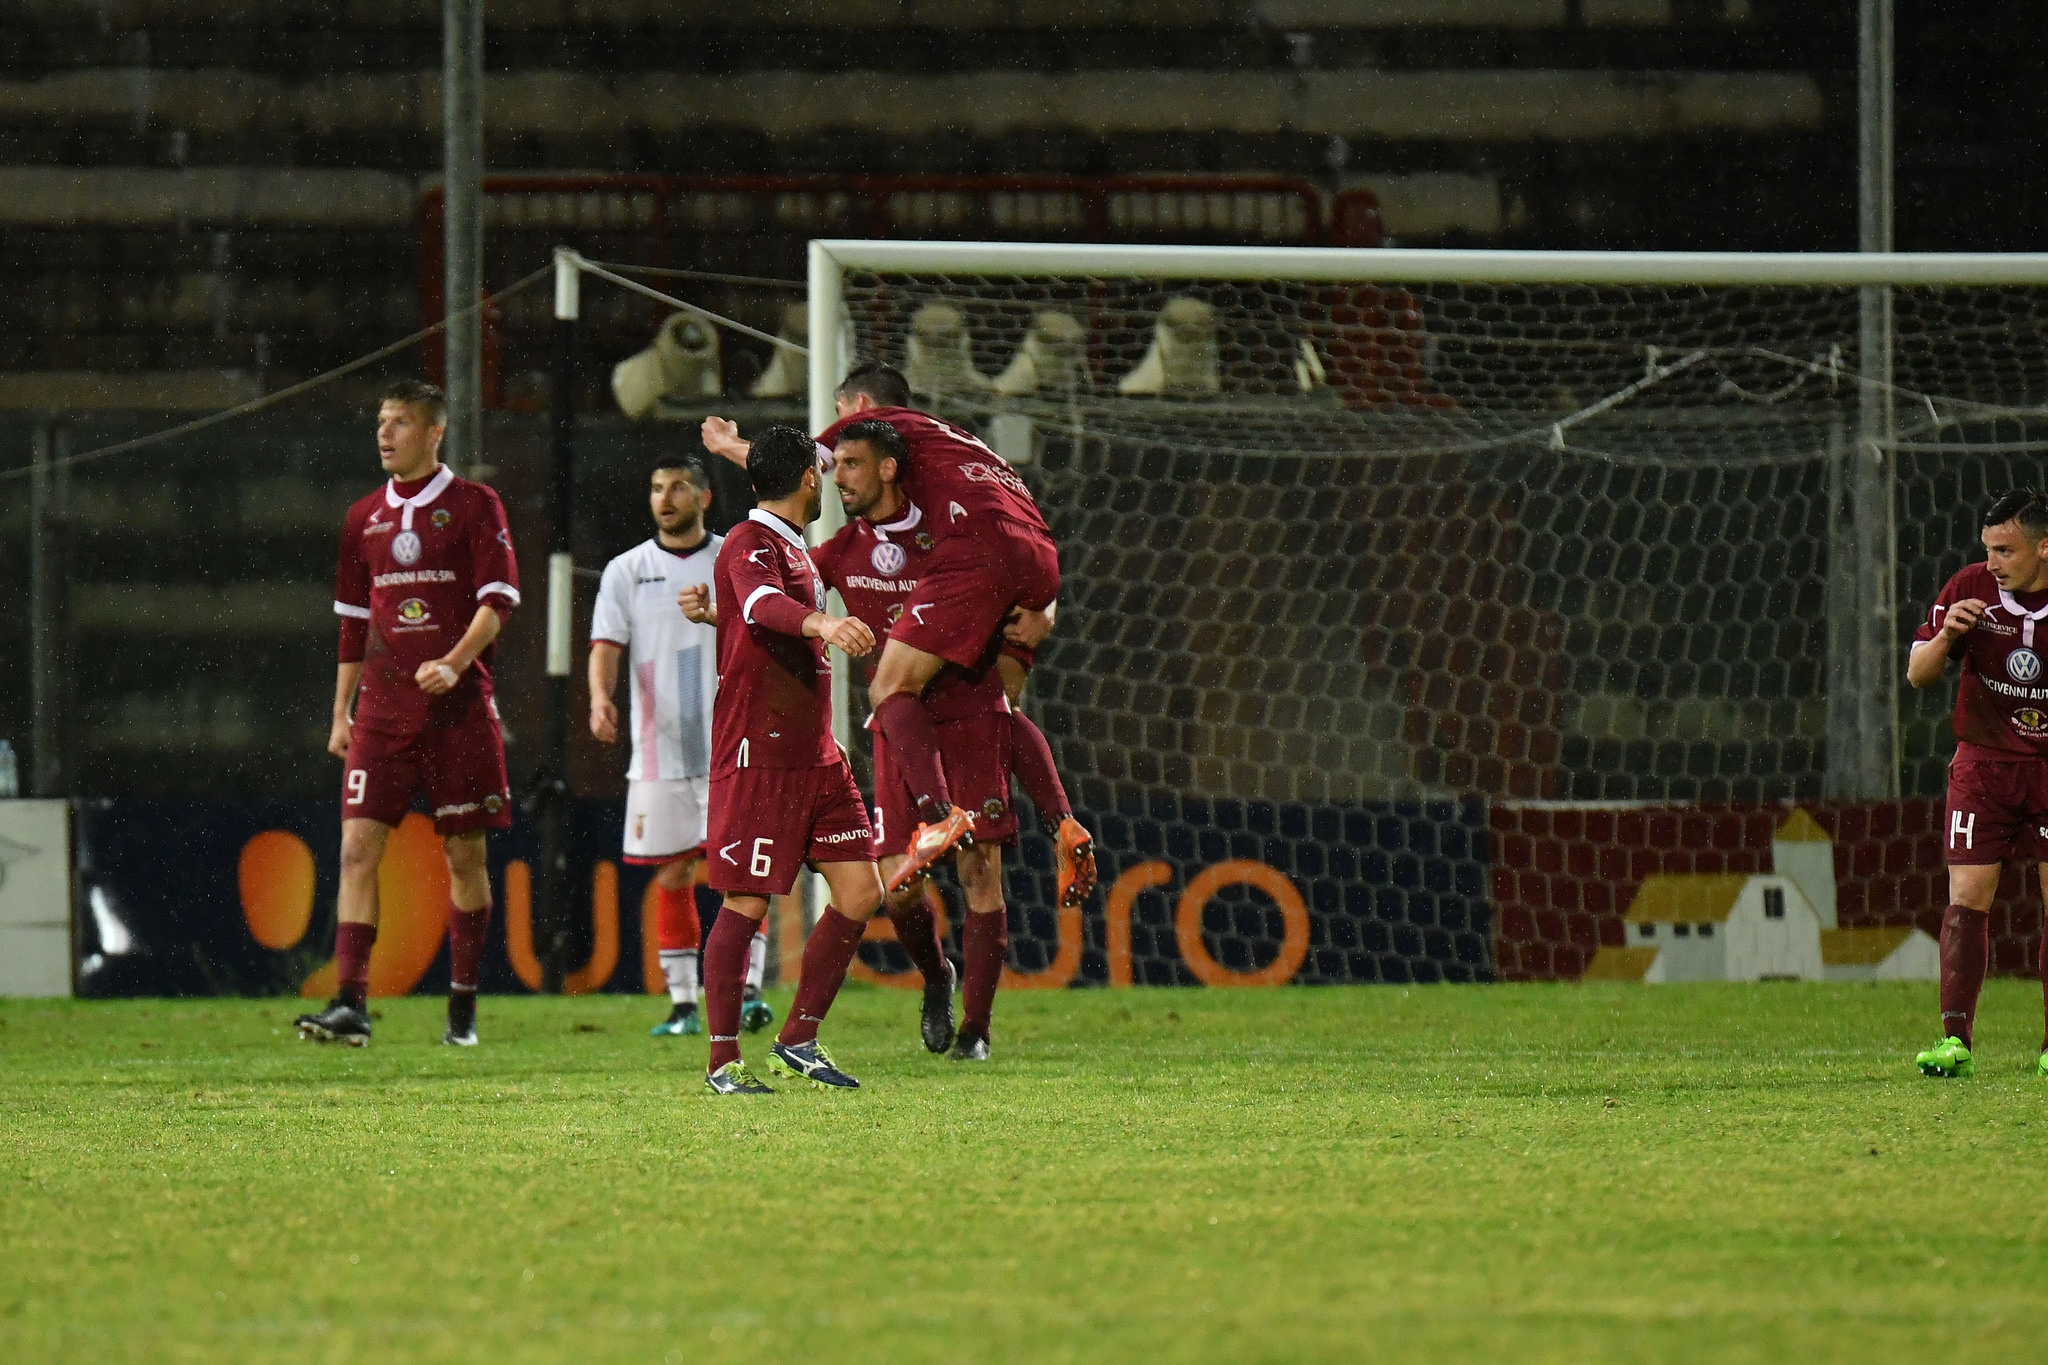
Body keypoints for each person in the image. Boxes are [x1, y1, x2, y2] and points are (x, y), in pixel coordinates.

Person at [701, 362, 1096, 911]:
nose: (837, 464)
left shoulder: (875, 429)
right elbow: (1022, 524)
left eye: (840, 422)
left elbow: (792, 470)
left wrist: (727, 444)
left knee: (888, 689)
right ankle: (1063, 822)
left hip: (979, 556)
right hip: (1033, 558)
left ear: (860, 408)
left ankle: (938, 820)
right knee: (1000, 706)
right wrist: (1044, 604)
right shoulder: (956, 445)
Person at [296, 380, 519, 1048]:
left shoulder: (476, 505)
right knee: (357, 846)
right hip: (383, 715)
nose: (385, 434)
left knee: (464, 854)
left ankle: (462, 1007)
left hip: (458, 712)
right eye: (380, 421)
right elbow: (351, 624)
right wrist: (341, 712)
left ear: (433, 432)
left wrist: (453, 661)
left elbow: (499, 600)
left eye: (400, 422)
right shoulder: (362, 516)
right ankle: (350, 1004)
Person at [700, 425, 885, 1094]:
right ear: (808, 480)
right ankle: (723, 1062)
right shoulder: (749, 540)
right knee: (746, 903)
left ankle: (798, 1039)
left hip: (817, 756)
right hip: (761, 754)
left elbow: (743, 612)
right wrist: (825, 623)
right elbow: (758, 604)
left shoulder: (791, 542)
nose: (833, 475)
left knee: (862, 891)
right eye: (822, 469)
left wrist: (735, 448)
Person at [588, 458, 772, 1039]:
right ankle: (684, 1006)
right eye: (656, 487)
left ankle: (747, 995)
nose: (665, 497)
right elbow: (606, 644)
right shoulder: (626, 570)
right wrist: (598, 699)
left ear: (704, 496)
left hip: (733, 745)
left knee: (741, 872)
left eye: (677, 488)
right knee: (671, 874)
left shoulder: (733, 558)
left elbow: (764, 629)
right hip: (658, 751)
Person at [1907, 488, 2048, 1079]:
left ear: (2045, 547)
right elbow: (1917, 673)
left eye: (2006, 550)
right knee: (1966, 898)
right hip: (1983, 766)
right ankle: (1955, 1041)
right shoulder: (1968, 588)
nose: (1993, 563)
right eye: (1987, 549)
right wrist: (1947, 639)